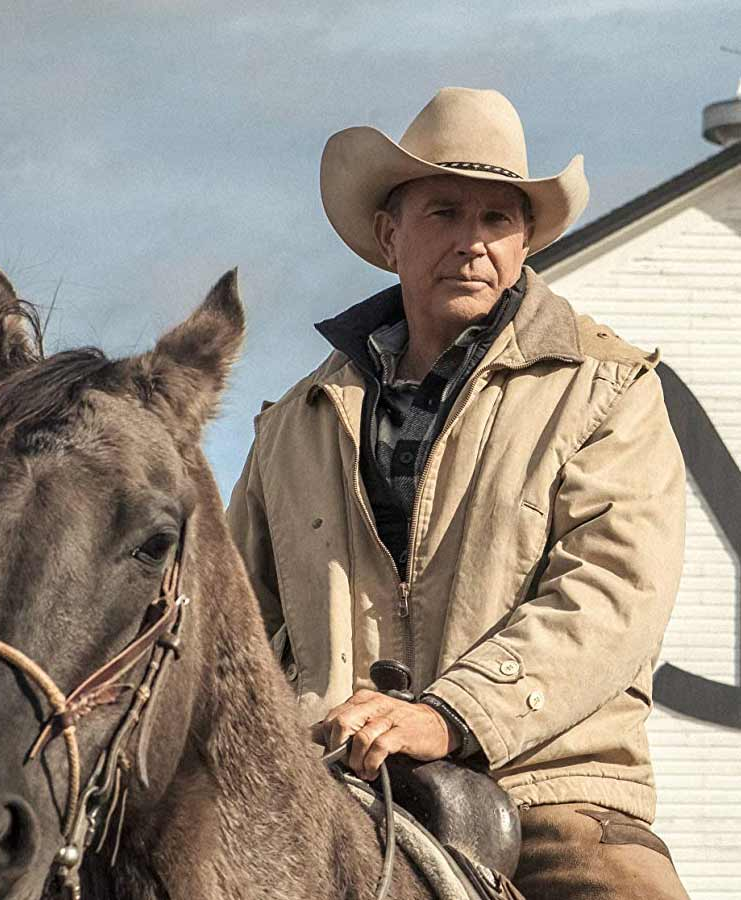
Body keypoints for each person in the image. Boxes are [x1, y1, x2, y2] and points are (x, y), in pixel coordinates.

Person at [227, 87, 690, 899]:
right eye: (443, 212)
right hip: (323, 788)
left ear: (522, 243)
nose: (471, 241)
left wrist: (449, 716)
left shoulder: (609, 390)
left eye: (495, 219)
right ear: (389, 235)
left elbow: (613, 594)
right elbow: (235, 627)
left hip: (549, 794)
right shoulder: (292, 425)